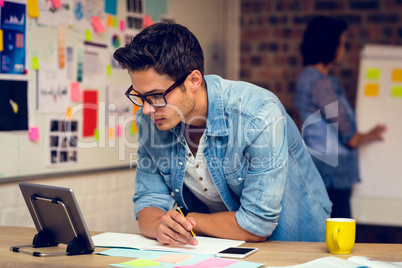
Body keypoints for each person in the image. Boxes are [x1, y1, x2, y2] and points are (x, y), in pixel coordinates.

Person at [113, 22, 331, 245]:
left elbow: (256, 226)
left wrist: (187, 220)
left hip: (297, 243)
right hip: (220, 243)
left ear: (193, 81)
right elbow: (148, 201)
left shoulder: (258, 113)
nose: (147, 109)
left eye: (156, 96)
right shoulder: (151, 120)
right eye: (140, 96)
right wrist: (162, 226)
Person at [295, 16, 386, 219]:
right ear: (330, 45)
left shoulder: (307, 78)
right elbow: (350, 137)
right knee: (338, 234)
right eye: (342, 44)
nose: (343, 50)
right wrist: (371, 134)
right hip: (331, 176)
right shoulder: (321, 84)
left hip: (321, 170)